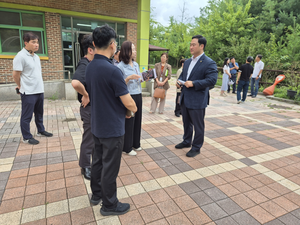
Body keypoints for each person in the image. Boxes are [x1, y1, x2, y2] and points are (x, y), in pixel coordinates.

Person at [85, 25, 137, 216]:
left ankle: (96, 194)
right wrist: (133, 109)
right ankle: (109, 205)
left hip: (97, 125)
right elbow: (128, 102)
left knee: (97, 162)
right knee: (110, 168)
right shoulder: (112, 70)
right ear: (113, 45)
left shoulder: (90, 67)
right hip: (113, 128)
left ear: (93, 44)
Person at [175, 35, 218, 157]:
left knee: (198, 125)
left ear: (201, 46)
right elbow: (184, 76)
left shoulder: (209, 63)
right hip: (185, 98)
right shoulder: (188, 61)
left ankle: (196, 147)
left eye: (194, 44)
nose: (191, 47)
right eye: (190, 44)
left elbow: (211, 81)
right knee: (186, 122)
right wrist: (180, 81)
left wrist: (193, 83)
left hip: (198, 100)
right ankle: (187, 141)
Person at [12, 32, 53, 145]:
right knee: (27, 116)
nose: (36, 44)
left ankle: (41, 130)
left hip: (39, 90)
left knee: (39, 113)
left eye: (37, 42)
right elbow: (16, 74)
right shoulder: (20, 56)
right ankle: (26, 137)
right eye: (33, 42)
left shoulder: (36, 57)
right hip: (28, 92)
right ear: (26, 43)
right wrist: (20, 86)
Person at [71, 34, 95, 180]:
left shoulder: (92, 64)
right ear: (90, 50)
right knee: (89, 138)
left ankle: (93, 163)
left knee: (95, 137)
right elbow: (75, 83)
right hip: (89, 109)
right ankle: (85, 166)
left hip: (96, 109)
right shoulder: (84, 63)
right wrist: (85, 95)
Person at [117, 41, 143, 156]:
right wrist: (128, 78)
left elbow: (138, 78)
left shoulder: (136, 64)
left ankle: (136, 143)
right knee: (129, 121)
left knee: (137, 120)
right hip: (129, 95)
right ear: (127, 51)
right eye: (133, 49)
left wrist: (143, 77)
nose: (135, 51)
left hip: (138, 94)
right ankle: (126, 147)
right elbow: (118, 84)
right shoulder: (120, 67)